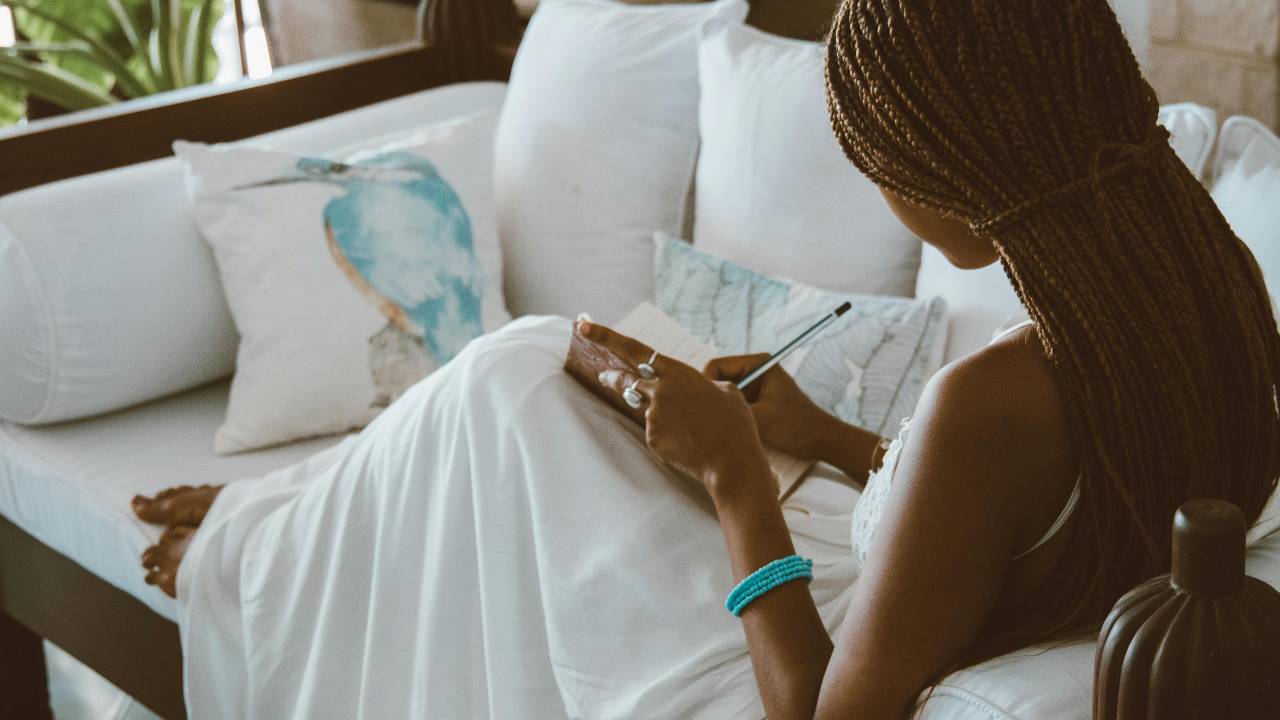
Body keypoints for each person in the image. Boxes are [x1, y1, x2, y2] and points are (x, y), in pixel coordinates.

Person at [133, 1, 1280, 717]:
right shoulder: (1203, 281)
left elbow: (822, 712)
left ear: (944, 168)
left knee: (508, 389)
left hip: (800, 637)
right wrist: (818, 435)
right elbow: (1017, 506)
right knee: (531, 374)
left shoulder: (988, 398)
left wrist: (737, 476)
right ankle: (267, 525)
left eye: (874, 160)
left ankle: (251, 550)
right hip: (886, 583)